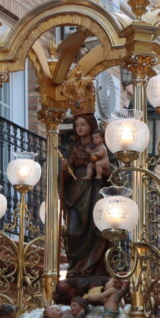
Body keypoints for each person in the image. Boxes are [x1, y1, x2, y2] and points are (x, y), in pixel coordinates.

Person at [60, 112, 109, 277]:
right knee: (73, 231)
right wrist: (64, 169)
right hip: (76, 191)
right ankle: (77, 266)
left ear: (91, 126)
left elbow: (113, 173)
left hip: (95, 188)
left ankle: (93, 268)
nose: (79, 128)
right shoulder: (72, 149)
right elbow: (65, 176)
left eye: (83, 124)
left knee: (96, 228)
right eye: (77, 125)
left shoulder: (101, 147)